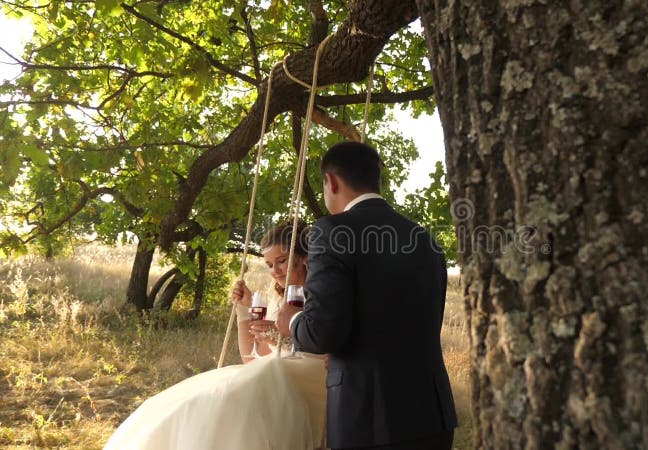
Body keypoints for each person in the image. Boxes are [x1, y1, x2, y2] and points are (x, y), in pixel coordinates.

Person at [276, 141, 458, 450]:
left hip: (368, 420)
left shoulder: (331, 231)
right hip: (433, 415)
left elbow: (322, 333)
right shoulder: (425, 238)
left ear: (331, 182)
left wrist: (291, 320)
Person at [104, 222, 327, 450]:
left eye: (282, 261)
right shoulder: (277, 301)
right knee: (196, 401)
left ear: (304, 258)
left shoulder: (321, 296)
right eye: (269, 265)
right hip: (276, 375)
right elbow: (251, 359)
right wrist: (244, 310)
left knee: (236, 397)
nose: (275, 271)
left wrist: (282, 336)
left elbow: (324, 347)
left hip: (311, 378)